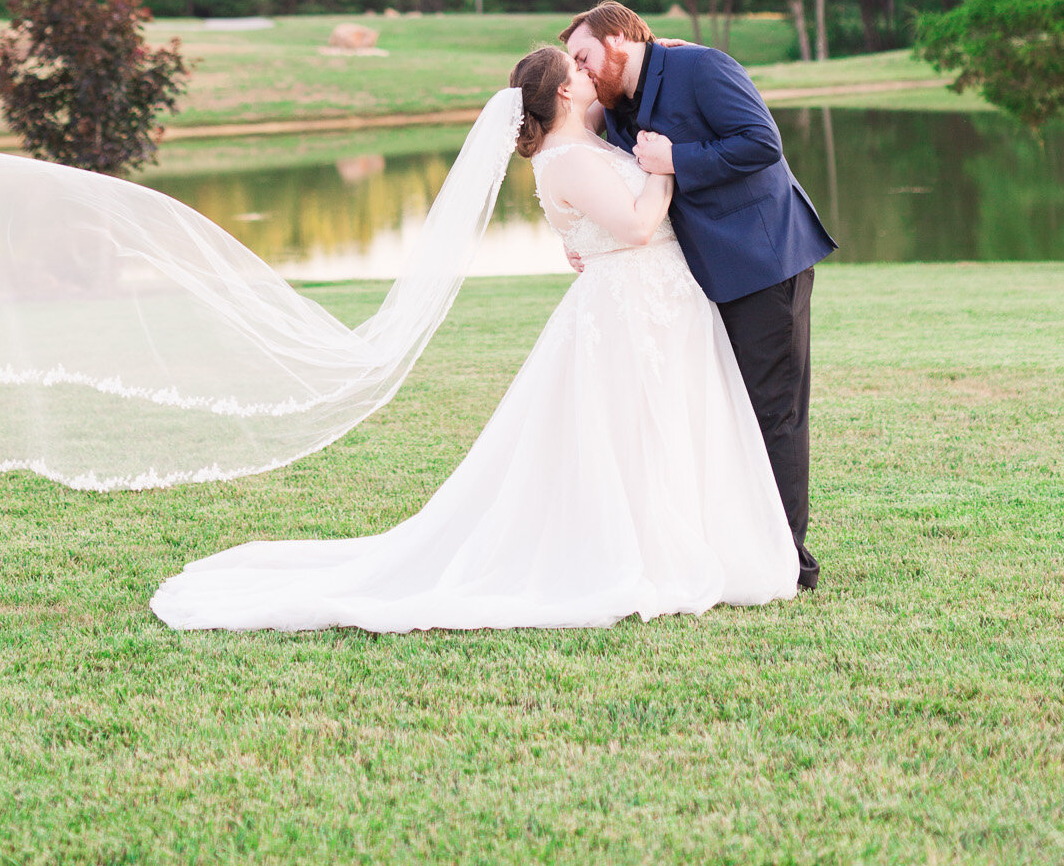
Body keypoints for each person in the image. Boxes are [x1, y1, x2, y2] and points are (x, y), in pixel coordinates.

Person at [149, 46, 798, 632]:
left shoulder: (592, 141)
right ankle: (643, 550)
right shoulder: (564, 157)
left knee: (673, 422)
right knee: (634, 430)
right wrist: (663, 171)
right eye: (577, 69)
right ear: (566, 94)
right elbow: (631, 228)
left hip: (661, 303)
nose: (589, 72)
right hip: (629, 309)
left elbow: (604, 203)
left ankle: (696, 536)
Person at [560, 1, 835, 590]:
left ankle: (787, 563)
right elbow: (590, 173)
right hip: (702, 279)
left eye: (583, 57)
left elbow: (762, 143)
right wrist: (576, 234)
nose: (580, 71)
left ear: (616, 42)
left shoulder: (704, 68)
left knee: (773, 416)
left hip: (765, 264)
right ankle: (739, 547)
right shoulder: (616, 108)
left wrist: (676, 159)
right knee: (727, 412)